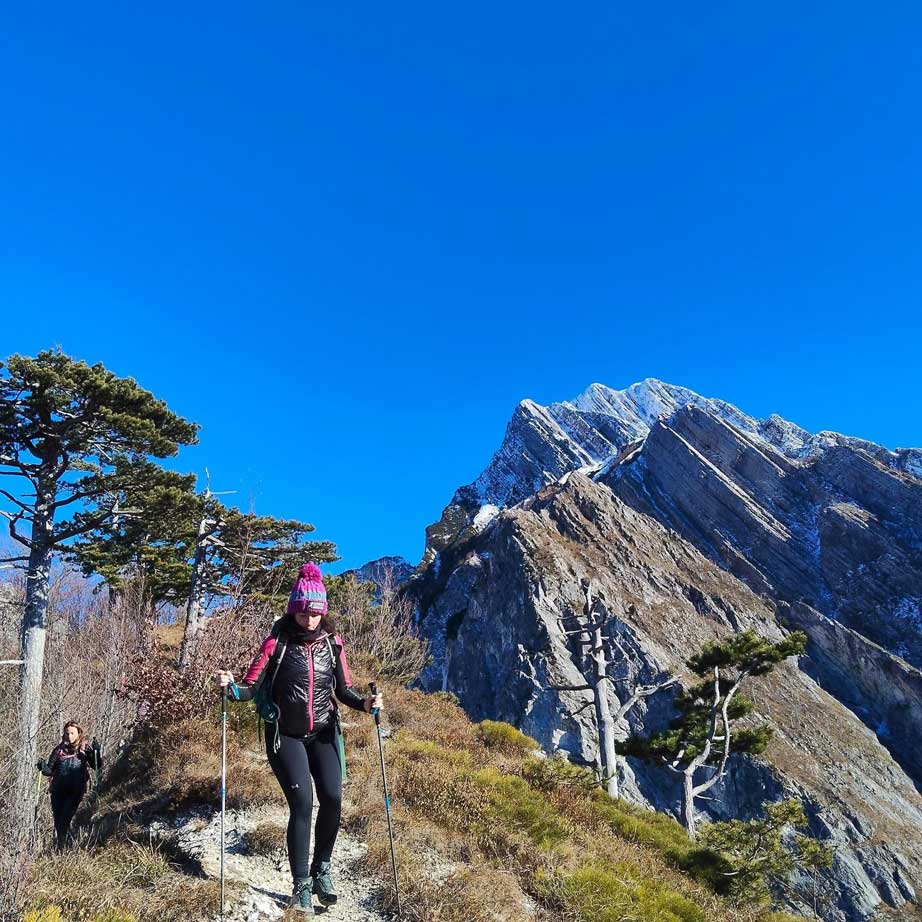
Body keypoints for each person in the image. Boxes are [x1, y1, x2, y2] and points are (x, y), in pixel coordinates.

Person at [216, 562, 383, 915]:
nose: (310, 620)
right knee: (303, 803)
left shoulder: (333, 643)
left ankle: (323, 868)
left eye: (316, 614)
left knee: (334, 797)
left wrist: (366, 704)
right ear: (294, 609)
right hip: (285, 736)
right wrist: (231, 689)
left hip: (323, 732)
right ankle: (301, 885)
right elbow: (251, 686)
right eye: (305, 613)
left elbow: (345, 689)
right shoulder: (276, 642)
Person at [37, 721, 103, 849]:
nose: (69, 736)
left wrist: (96, 752)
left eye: (72, 733)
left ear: (79, 733)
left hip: (75, 791)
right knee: (58, 822)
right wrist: (42, 767)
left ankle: (67, 848)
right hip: (57, 791)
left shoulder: (85, 749)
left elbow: (96, 765)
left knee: (65, 820)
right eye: (67, 733)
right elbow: (49, 770)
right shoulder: (58, 750)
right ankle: (62, 849)